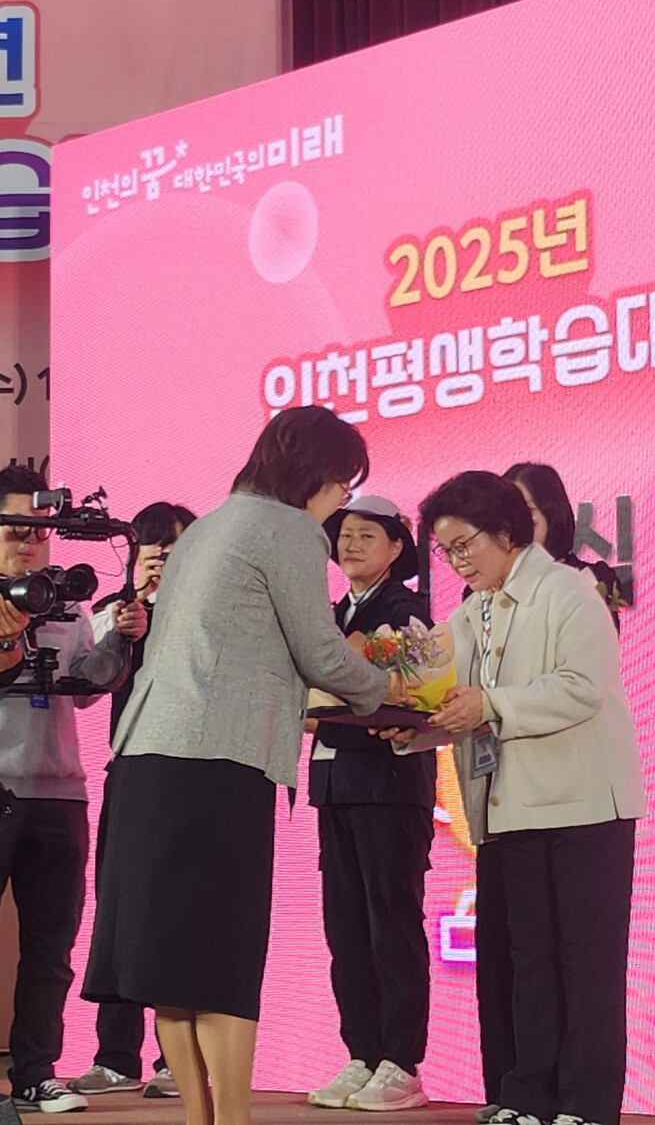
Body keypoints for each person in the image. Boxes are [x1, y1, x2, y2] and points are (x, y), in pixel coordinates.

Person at [81, 407, 409, 1125]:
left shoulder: (209, 525)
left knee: (170, 963)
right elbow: (320, 652)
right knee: (223, 960)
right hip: (216, 763)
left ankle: (204, 1120)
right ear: (316, 472)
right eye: (343, 484)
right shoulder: (287, 528)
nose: (339, 505)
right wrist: (395, 689)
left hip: (146, 759)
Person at [388, 471, 646, 1125]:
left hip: (587, 805)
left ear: (507, 532)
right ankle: (528, 1094)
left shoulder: (568, 590)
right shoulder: (472, 608)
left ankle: (587, 1104)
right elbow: (450, 691)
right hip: (513, 807)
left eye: (464, 544)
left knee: (585, 961)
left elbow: (580, 686)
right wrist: (414, 725)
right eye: (446, 550)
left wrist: (488, 705)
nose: (457, 561)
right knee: (527, 958)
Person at [0, 464, 146, 1113]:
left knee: (50, 948)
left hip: (61, 793)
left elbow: (88, 687)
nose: (31, 542)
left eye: (40, 531)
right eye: (17, 528)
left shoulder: (65, 603)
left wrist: (119, 636)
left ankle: (35, 1073)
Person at [307, 496, 435, 1113]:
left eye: (366, 535)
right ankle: (361, 1052)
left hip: (389, 786)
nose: (351, 545)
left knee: (392, 923)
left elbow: (418, 696)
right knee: (346, 927)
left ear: (396, 547)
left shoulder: (407, 612)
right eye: (345, 535)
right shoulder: (328, 615)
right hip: (335, 783)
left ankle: (401, 1062)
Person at [68, 501, 196, 1099]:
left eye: (175, 549)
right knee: (118, 908)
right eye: (152, 550)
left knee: (180, 911)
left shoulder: (206, 612)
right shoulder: (110, 613)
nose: (161, 560)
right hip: (128, 770)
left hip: (191, 773)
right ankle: (116, 1056)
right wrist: (125, 621)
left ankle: (178, 1060)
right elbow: (86, 690)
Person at [503, 462, 626, 630]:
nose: (517, 522)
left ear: (551, 514)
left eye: (528, 511)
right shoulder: (485, 586)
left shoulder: (591, 577)